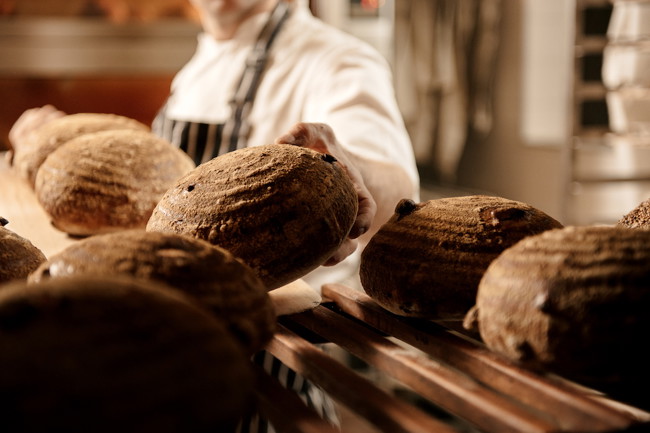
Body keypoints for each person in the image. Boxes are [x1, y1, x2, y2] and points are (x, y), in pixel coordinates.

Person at [9, 0, 420, 431]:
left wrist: (350, 166)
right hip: (164, 358)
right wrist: (58, 142)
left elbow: (396, 190)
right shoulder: (198, 67)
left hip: (266, 370)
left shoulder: (337, 59)